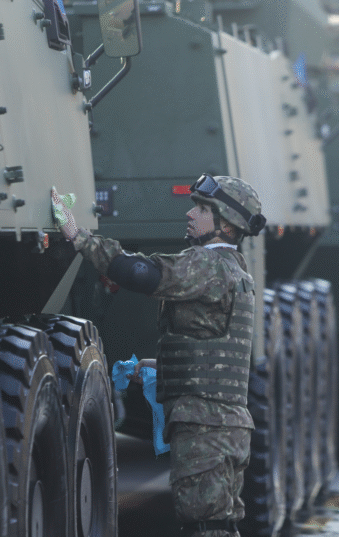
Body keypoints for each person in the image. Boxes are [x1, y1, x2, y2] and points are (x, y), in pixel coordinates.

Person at [52, 173, 267, 537]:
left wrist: (79, 237)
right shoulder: (236, 270)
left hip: (206, 426)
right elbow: (213, 347)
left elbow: (140, 273)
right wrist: (156, 367)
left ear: (226, 226)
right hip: (222, 424)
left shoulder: (207, 264)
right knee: (216, 522)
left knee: (205, 524)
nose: (190, 214)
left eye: (201, 209)